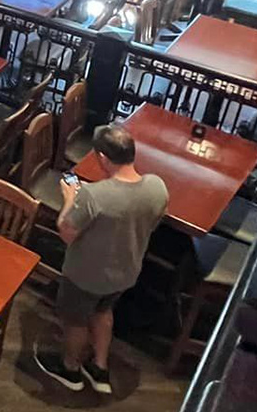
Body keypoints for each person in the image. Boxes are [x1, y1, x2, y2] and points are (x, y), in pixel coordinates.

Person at [35, 123, 168, 396]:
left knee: (75, 321)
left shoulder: (94, 196)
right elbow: (152, 222)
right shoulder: (157, 187)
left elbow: (67, 232)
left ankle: (70, 369)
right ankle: (99, 366)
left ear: (103, 158)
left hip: (86, 274)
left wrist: (71, 198)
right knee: (103, 312)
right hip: (125, 272)